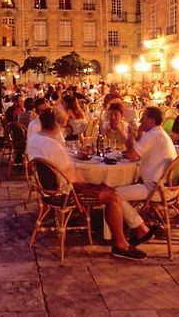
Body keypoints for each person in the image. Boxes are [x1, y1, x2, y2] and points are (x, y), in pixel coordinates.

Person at [27, 108, 146, 260]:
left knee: (108, 190)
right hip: (64, 194)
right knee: (114, 195)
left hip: (47, 192)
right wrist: (96, 185)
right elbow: (74, 180)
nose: (64, 129)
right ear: (57, 125)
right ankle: (121, 244)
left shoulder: (35, 139)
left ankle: (133, 231)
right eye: (64, 126)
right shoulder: (53, 146)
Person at [117, 106, 177, 246]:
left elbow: (132, 155)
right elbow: (138, 153)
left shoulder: (152, 135)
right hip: (169, 188)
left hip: (157, 189)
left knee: (115, 195)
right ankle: (137, 225)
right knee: (121, 189)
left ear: (151, 120)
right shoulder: (159, 133)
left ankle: (141, 229)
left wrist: (130, 135)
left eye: (143, 117)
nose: (141, 120)